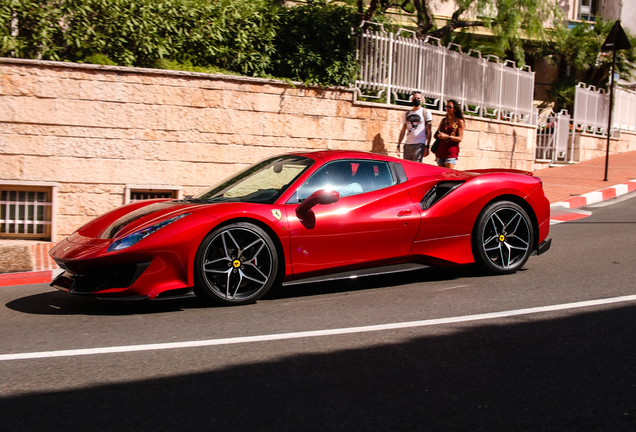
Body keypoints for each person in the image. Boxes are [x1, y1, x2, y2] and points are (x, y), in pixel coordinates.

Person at [396, 91, 432, 162]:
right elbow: (403, 130)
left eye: (418, 98)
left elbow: (429, 130)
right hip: (408, 144)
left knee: (416, 166)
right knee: (407, 167)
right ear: (412, 99)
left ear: (421, 100)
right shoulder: (407, 113)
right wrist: (398, 145)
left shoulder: (426, 112)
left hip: (419, 144)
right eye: (415, 98)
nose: (416, 99)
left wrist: (427, 146)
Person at [434, 99, 465, 169]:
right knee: (441, 174)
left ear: (455, 109)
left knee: (449, 174)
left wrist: (446, 136)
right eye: (446, 107)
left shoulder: (459, 121)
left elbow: (459, 138)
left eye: (450, 107)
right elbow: (437, 133)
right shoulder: (444, 120)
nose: (447, 109)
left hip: (451, 152)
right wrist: (439, 135)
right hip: (441, 150)